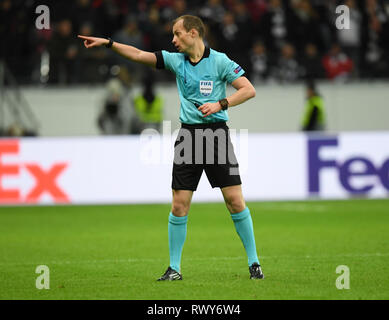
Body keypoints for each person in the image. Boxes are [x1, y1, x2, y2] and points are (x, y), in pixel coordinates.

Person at [78, 15, 264, 281]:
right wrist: (109, 43)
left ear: (193, 33)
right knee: (179, 205)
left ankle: (254, 263)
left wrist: (220, 104)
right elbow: (139, 55)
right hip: (188, 137)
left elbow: (248, 89)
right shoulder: (177, 62)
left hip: (216, 136)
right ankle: (174, 268)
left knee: (234, 201)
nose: (173, 40)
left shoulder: (220, 61)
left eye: (177, 34)